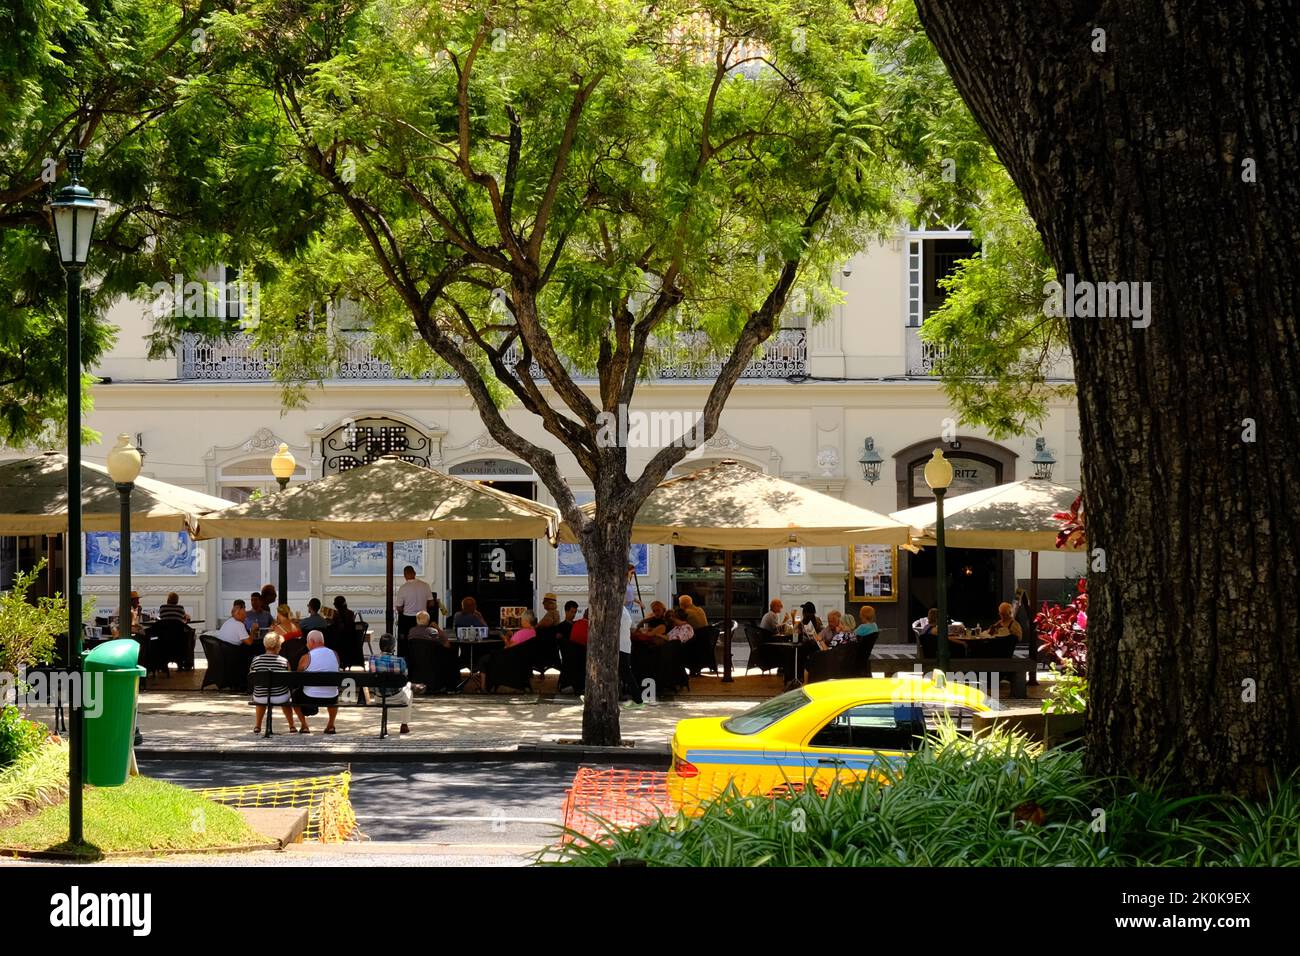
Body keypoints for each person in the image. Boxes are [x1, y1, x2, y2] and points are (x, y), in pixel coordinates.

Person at [295, 630, 340, 734]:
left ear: (311, 641)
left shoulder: (306, 657)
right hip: (331, 697)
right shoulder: (335, 654)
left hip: (309, 697)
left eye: (307, 642)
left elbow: (297, 676)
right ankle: (331, 725)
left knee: (295, 696)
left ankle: (304, 725)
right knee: (334, 692)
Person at [250, 632, 296, 734]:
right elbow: (289, 680)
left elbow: (252, 678)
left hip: (260, 696)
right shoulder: (284, 661)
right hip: (280, 696)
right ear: (278, 646)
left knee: (262, 692)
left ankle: (257, 725)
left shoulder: (256, 660)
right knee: (286, 697)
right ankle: (292, 725)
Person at [369, 634, 412, 735]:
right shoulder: (400, 661)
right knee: (409, 689)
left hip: (379, 697)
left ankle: (385, 724)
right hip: (396, 697)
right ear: (393, 647)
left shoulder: (372, 659)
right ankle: (404, 724)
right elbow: (404, 678)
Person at [395, 566, 433, 640]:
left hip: (407, 619)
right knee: (423, 639)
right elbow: (431, 603)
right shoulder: (425, 585)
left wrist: (406, 609)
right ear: (414, 573)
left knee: (407, 642)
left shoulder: (403, 588)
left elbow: (399, 607)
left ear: (405, 575)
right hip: (423, 618)